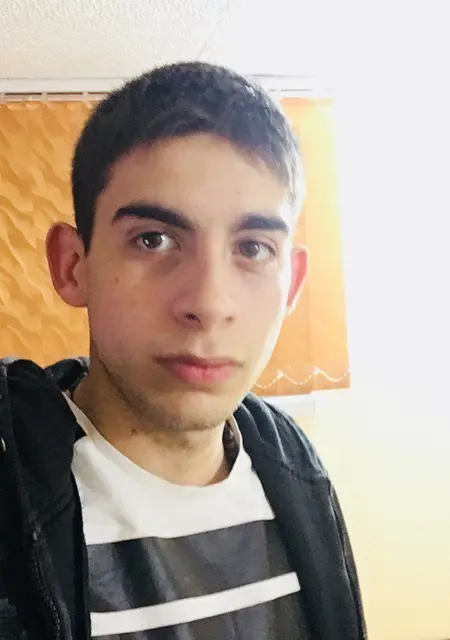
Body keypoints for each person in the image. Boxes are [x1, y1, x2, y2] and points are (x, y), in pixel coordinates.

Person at [0, 62, 366, 640]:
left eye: (253, 248)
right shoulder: (12, 489)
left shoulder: (298, 472)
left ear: (292, 284)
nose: (209, 303)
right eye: (154, 239)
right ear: (73, 266)